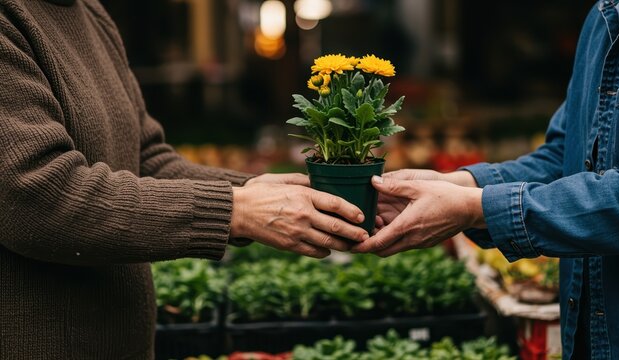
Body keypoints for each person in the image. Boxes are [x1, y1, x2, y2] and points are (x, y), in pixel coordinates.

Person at [0, 0, 368, 358]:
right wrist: (234, 209)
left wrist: (253, 190)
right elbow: (36, 197)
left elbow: (146, 159)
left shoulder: (90, 11)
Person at [354, 0, 619, 358]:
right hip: (592, 338)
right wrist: (457, 184)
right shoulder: (605, 18)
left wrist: (475, 207)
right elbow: (563, 157)